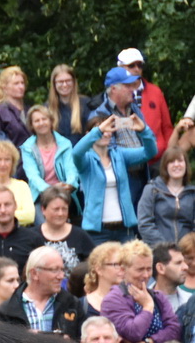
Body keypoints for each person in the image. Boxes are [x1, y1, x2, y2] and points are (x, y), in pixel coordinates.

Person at [69, 113, 156, 244]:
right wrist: (98, 131)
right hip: (97, 232)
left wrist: (144, 131)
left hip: (124, 229)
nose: (106, 133)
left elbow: (150, 152)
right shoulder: (86, 160)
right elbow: (76, 152)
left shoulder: (119, 155)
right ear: (89, 134)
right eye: (102, 130)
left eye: (109, 130)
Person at [102, 239, 181, 343]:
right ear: (122, 270)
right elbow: (133, 333)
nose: (145, 275)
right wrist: (148, 307)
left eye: (148, 269)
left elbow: (174, 330)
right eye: (140, 270)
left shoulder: (158, 297)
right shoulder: (113, 299)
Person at [0, 247, 82, 338]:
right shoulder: (6, 311)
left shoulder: (72, 305)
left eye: (62, 270)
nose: (61, 276)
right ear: (34, 274)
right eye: (54, 270)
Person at [137, 149, 194, 247]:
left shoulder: (192, 193)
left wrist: (189, 246)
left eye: (180, 161)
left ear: (186, 165)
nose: (176, 165)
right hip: (160, 251)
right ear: (165, 166)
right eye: (171, 162)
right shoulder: (152, 190)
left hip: (188, 252)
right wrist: (167, 247)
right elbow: (145, 224)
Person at [35, 188, 94, 273]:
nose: (60, 213)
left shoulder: (80, 235)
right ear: (43, 210)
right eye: (56, 209)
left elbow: (94, 264)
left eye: (64, 209)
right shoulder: (32, 236)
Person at [46, 64, 93, 141]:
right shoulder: (47, 108)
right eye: (60, 82)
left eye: (68, 81)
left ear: (74, 82)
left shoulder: (86, 104)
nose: (65, 85)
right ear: (54, 84)